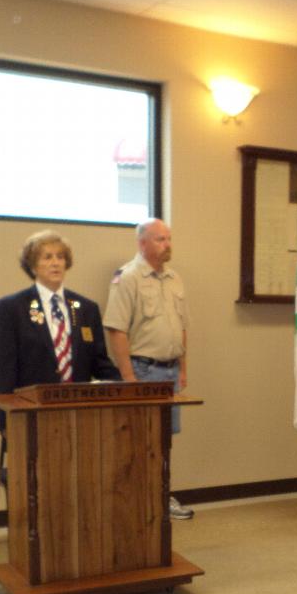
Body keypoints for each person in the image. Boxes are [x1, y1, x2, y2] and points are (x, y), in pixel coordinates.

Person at [103, 219, 193, 520]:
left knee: (164, 440)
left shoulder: (174, 278)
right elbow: (116, 330)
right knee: (141, 441)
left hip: (169, 373)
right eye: (160, 240)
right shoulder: (127, 277)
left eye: (169, 238)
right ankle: (140, 500)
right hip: (144, 370)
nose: (167, 244)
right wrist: (129, 378)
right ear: (142, 243)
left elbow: (181, 327)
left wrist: (182, 368)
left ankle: (161, 495)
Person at [0, 230, 119, 430]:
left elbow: (99, 362)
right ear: (33, 266)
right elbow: (3, 370)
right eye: (47, 257)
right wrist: (4, 421)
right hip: (31, 415)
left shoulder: (86, 308)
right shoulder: (12, 308)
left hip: (81, 415)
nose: (56, 263)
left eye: (60, 257)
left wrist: (125, 387)